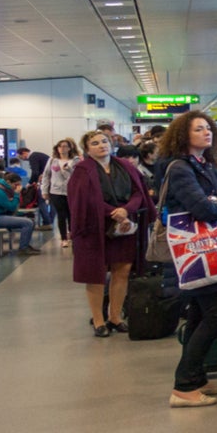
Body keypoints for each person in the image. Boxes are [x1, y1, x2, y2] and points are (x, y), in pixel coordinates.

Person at [156, 111, 217, 407]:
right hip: (195, 252)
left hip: (207, 250)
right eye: (198, 129)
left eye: (208, 128)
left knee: (199, 315)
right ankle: (182, 386)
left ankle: (195, 378)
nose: (206, 133)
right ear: (183, 135)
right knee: (215, 315)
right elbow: (203, 209)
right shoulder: (180, 167)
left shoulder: (206, 164)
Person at [67, 129, 152, 336]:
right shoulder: (82, 170)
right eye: (95, 143)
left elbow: (138, 192)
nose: (101, 145)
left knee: (122, 270)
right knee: (95, 274)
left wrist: (126, 210)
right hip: (93, 228)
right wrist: (113, 212)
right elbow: (83, 200)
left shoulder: (124, 166)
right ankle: (98, 321)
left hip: (123, 227)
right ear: (87, 149)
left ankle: (115, 316)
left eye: (104, 141)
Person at [0, 171, 40, 255]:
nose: (17, 187)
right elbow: (11, 207)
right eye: (16, 185)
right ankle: (23, 248)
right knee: (27, 223)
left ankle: (25, 244)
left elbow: (10, 209)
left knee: (31, 221)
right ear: (8, 182)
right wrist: (16, 194)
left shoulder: (3, 190)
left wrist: (22, 214)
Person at [43, 138, 78, 248]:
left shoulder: (76, 160)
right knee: (61, 215)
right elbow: (46, 175)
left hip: (72, 191)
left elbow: (79, 176)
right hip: (56, 191)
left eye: (65, 146)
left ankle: (72, 234)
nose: (62, 149)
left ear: (69, 148)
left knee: (71, 214)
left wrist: (69, 170)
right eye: (60, 146)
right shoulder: (52, 160)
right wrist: (44, 191)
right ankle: (63, 238)